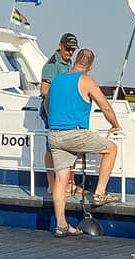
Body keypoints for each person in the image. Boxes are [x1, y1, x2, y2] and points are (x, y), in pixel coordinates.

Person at [46, 49, 123, 236]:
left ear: (75, 61)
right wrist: (115, 124)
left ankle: (61, 225)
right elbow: (105, 106)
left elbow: (47, 104)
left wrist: (55, 121)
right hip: (74, 134)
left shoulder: (57, 79)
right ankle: (100, 192)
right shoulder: (86, 80)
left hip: (54, 134)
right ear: (91, 65)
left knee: (61, 180)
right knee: (111, 148)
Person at [39, 33, 78, 194]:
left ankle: (70, 183)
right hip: (52, 111)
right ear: (60, 46)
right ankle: (51, 184)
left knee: (71, 146)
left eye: (73, 50)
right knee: (51, 148)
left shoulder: (69, 63)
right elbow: (44, 90)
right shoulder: (52, 65)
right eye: (68, 49)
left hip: (66, 112)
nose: (70, 52)